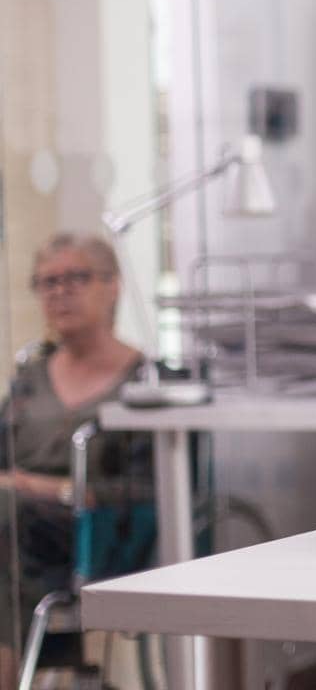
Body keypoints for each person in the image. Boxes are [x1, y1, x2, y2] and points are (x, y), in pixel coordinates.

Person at [0, 234, 151, 682]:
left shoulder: (145, 381)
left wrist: (46, 488)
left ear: (113, 286)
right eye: (47, 282)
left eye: (75, 278)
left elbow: (147, 492)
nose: (59, 291)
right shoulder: (31, 375)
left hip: (98, 535)